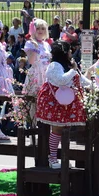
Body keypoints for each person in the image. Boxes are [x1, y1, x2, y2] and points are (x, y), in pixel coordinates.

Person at [36, 41, 90, 169]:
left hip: (65, 102)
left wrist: (96, 86)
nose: (71, 53)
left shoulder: (67, 65)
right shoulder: (54, 65)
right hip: (55, 102)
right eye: (69, 51)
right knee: (57, 130)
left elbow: (81, 80)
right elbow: (60, 80)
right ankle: (53, 159)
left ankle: (63, 158)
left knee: (64, 131)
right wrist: (73, 70)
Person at [23, 18, 51, 98]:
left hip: (46, 74)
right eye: (38, 28)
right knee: (34, 101)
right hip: (36, 74)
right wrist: (35, 47)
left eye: (43, 28)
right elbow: (31, 61)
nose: (40, 31)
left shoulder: (46, 44)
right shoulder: (30, 43)